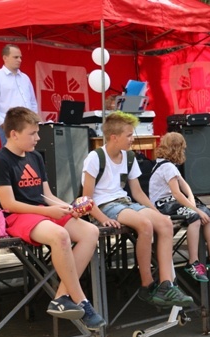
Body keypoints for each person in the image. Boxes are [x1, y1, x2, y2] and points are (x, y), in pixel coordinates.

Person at [0, 107, 105, 330]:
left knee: (91, 231)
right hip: (16, 217)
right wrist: (48, 212)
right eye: (32, 133)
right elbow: (9, 204)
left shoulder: (35, 157)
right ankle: (81, 300)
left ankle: (61, 296)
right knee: (60, 235)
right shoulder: (0, 160)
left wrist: (69, 207)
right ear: (13, 134)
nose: (38, 138)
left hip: (40, 212)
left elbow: (47, 196)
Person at [81, 111, 193, 309]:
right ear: (114, 137)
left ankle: (166, 284)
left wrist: (156, 212)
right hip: (105, 206)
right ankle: (147, 284)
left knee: (164, 223)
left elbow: (138, 192)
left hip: (125, 202)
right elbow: (86, 198)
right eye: (129, 135)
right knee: (144, 225)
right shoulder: (95, 157)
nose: (133, 139)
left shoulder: (129, 156)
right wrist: (100, 217)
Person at [148, 132, 210, 283]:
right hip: (164, 205)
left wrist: (192, 198)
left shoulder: (167, 165)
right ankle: (192, 261)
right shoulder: (167, 167)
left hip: (171, 202)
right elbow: (177, 193)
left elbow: (183, 184)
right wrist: (196, 209)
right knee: (195, 217)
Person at [0, 44, 38, 147]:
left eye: (20, 57)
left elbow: (32, 101)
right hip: (10, 124)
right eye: (16, 57)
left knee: (30, 156)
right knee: (12, 158)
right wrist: (2, 122)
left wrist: (34, 119)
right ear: (5, 58)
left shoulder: (25, 78)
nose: (19, 60)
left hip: (28, 124)